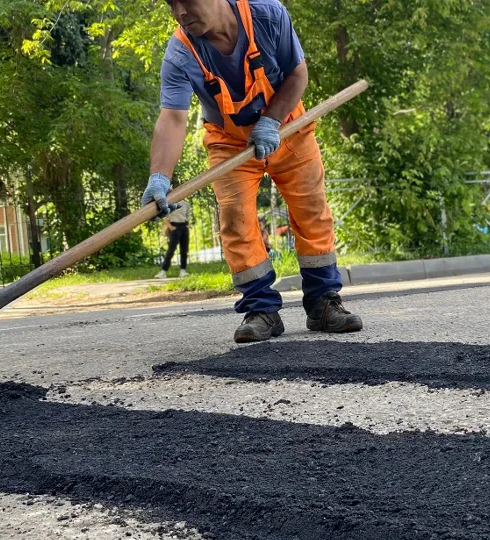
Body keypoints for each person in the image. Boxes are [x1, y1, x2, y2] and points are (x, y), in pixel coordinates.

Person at [141, 0, 362, 343]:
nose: (180, 12)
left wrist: (271, 121)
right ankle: (261, 309)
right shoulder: (180, 53)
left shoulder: (267, 14)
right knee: (235, 218)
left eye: (187, 1)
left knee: (311, 211)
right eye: (171, 4)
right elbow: (173, 118)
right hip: (229, 141)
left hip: (289, 126)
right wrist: (160, 178)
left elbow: (297, 74)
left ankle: (323, 304)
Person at [155, 198, 192, 279]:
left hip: (184, 226)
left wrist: (187, 225)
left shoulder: (186, 204)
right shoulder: (170, 203)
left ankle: (183, 270)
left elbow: (188, 215)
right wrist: (170, 226)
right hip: (174, 226)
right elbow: (164, 216)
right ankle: (163, 271)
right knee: (171, 249)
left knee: (184, 250)